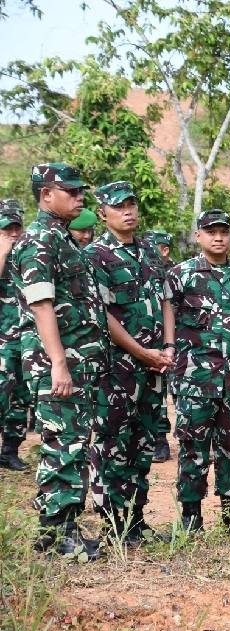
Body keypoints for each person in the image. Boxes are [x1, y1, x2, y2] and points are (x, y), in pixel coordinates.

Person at [12, 163, 110, 559]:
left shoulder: (63, 240)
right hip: (57, 362)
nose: (79, 196)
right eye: (69, 191)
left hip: (75, 362)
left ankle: (63, 528)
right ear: (45, 194)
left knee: (72, 445)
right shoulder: (38, 241)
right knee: (62, 447)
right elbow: (41, 305)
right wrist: (58, 363)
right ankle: (55, 538)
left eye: (80, 189)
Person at [86, 182, 175, 545]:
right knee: (113, 443)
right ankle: (113, 525)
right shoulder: (95, 256)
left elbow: (167, 299)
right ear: (103, 213)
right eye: (118, 206)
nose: (128, 211)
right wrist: (141, 352)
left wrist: (167, 346)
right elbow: (103, 315)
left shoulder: (152, 251)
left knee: (143, 442)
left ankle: (136, 520)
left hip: (154, 367)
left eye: (131, 204)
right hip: (116, 368)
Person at [168, 209, 230, 535]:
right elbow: (169, 321)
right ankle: (191, 518)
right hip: (195, 379)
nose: (218, 237)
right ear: (198, 236)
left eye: (223, 231)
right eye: (210, 231)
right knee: (193, 448)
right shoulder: (182, 275)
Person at [0, 202, 30, 471]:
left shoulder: (26, 253)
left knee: (21, 398)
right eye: (6, 229)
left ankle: (10, 450)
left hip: (26, 340)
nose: (12, 233)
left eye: (16, 227)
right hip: (2, 342)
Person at [144, 230, 177, 463]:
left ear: (163, 249)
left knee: (162, 390)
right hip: (143, 338)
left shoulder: (175, 273)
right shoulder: (140, 267)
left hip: (170, 340)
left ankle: (160, 439)